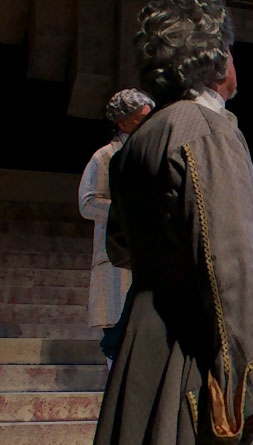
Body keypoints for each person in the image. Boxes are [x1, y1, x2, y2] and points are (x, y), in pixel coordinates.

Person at [80, 0, 253, 445]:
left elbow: (121, 245)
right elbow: (231, 264)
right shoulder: (208, 129)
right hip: (197, 348)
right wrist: (252, 374)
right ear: (215, 58)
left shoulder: (141, 137)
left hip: (150, 335)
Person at [78, 88, 154, 363]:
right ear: (122, 121)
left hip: (147, 256)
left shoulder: (150, 156)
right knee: (117, 336)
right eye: (140, 119)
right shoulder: (105, 157)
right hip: (117, 257)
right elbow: (87, 203)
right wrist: (128, 209)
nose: (147, 124)